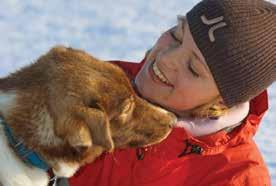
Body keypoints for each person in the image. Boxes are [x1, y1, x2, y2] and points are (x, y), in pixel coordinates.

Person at [68, 0, 275, 185]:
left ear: (221, 103)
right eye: (176, 35)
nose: (167, 59)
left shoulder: (235, 178)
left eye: (193, 68)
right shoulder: (95, 86)